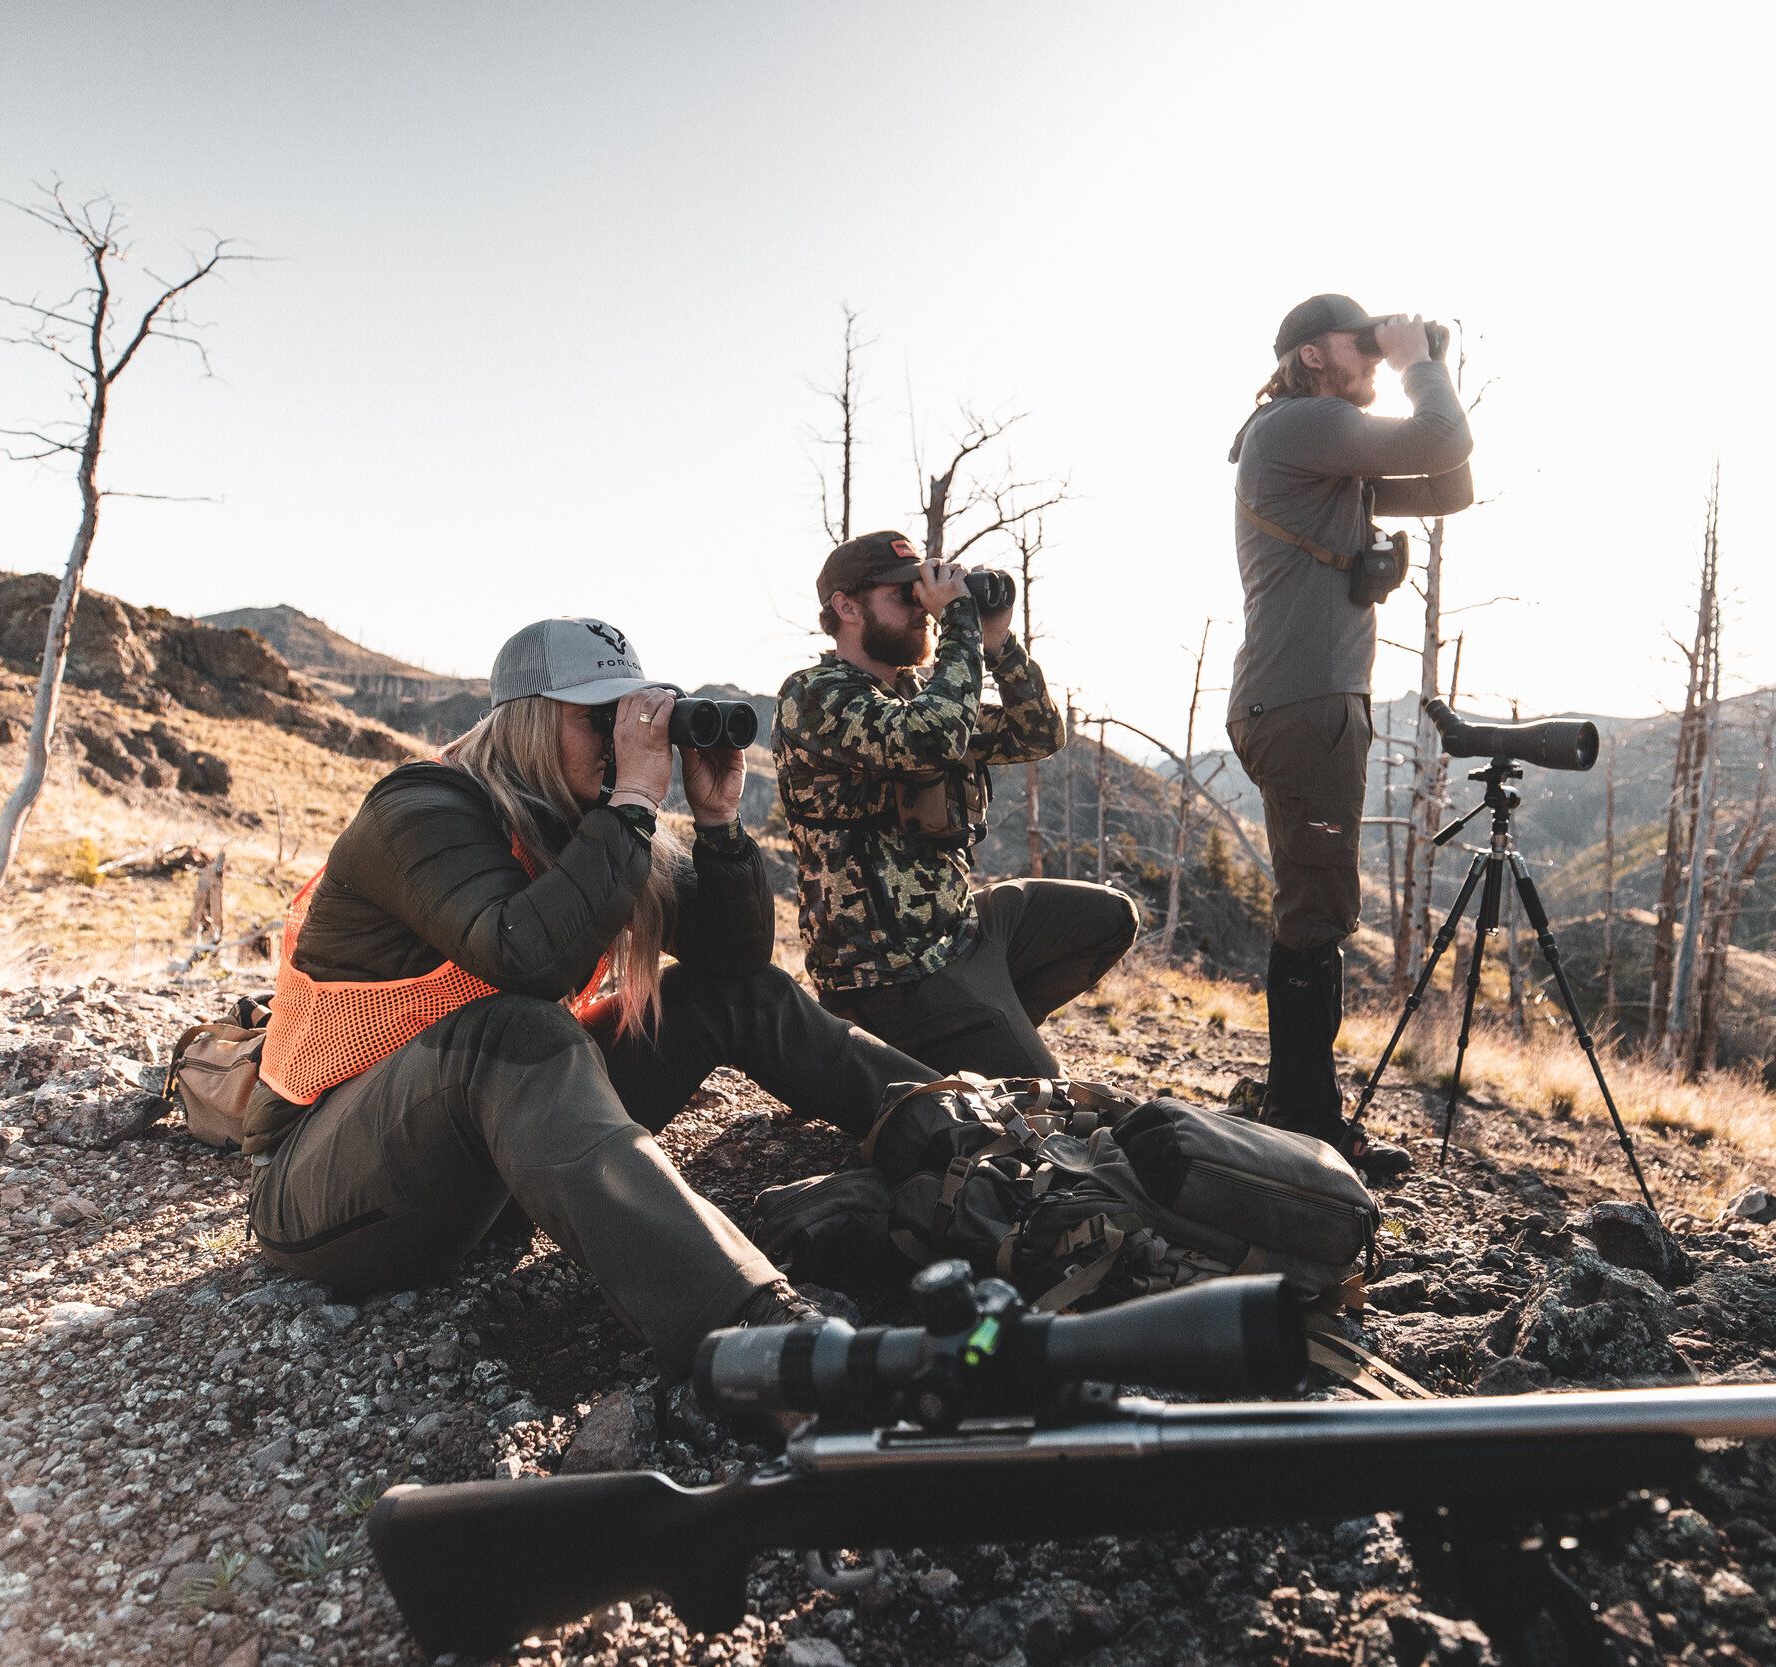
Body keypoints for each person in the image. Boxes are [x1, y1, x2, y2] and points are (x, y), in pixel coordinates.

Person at [242, 616, 933, 1379]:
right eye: (597, 718)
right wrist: (633, 798)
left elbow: (735, 959)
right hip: (327, 1182)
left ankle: (951, 1125)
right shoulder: (418, 811)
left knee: (722, 995)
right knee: (516, 1028)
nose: (621, 740)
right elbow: (524, 957)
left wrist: (717, 821)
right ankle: (752, 1332)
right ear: (531, 721)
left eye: (631, 717)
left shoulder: (578, 821)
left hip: (489, 1172)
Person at [1226, 294, 1476, 1181]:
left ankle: (1299, 1107)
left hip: (1307, 704)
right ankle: (1305, 1121)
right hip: (1302, 705)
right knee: (1318, 912)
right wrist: (1414, 362)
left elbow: (1452, 481)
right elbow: (1440, 440)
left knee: (1316, 905)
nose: (1370, 352)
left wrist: (1432, 364)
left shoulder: (1325, 446)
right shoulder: (1296, 426)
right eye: (1357, 341)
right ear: (1310, 358)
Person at [775, 530, 1140, 1079]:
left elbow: (1039, 732)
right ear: (846, 607)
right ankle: (950, 1049)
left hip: (961, 935)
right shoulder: (815, 695)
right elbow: (931, 738)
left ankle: (987, 1028)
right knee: (1047, 1109)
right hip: (890, 979)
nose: (924, 607)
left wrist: (998, 643)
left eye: (925, 591)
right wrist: (961, 624)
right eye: (906, 595)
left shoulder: (919, 692)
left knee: (1110, 916)